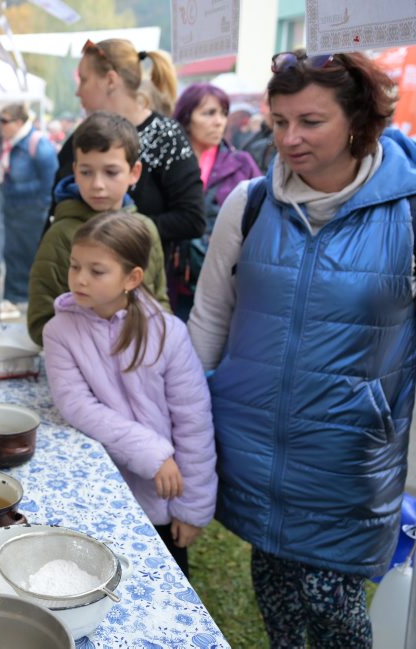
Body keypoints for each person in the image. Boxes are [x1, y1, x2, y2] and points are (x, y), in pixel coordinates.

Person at [188, 50, 416, 647]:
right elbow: (211, 316)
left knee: (333, 609)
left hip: (347, 456)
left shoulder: (409, 213)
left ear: (359, 120)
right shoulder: (251, 203)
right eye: (280, 119)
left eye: (310, 121)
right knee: (278, 598)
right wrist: (186, 415)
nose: (288, 137)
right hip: (252, 444)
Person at [43, 211, 216, 576]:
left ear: (132, 278)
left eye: (97, 270)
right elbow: (76, 405)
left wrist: (192, 508)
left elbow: (193, 420)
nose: (80, 279)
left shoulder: (169, 332)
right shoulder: (59, 331)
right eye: (75, 267)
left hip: (161, 498)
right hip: (99, 494)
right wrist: (150, 452)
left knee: (163, 584)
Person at [56, 38, 205, 311]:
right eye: (87, 172)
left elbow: (192, 218)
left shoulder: (166, 137)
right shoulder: (79, 140)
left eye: (84, 80)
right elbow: (55, 214)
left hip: (143, 299)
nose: (78, 92)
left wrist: (123, 232)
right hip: (78, 305)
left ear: (110, 80)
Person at [27, 111, 169, 345]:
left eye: (111, 172)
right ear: (74, 172)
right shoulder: (60, 236)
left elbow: (159, 300)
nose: (98, 184)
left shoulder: (146, 230)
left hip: (140, 362)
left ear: (134, 173)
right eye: (86, 172)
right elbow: (40, 320)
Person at [171, 83, 261, 319]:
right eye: (209, 113)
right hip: (172, 285)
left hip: (224, 286)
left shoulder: (242, 163)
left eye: (223, 113)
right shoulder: (168, 165)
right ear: (186, 117)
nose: (219, 121)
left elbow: (261, 221)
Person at [0, 103, 58, 320]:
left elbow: (48, 185)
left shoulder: (38, 145)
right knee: (13, 255)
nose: (0, 126)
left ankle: (23, 299)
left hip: (31, 212)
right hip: (15, 211)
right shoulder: (11, 144)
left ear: (19, 122)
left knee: (27, 256)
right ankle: (14, 298)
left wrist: (11, 188)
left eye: (5, 121)